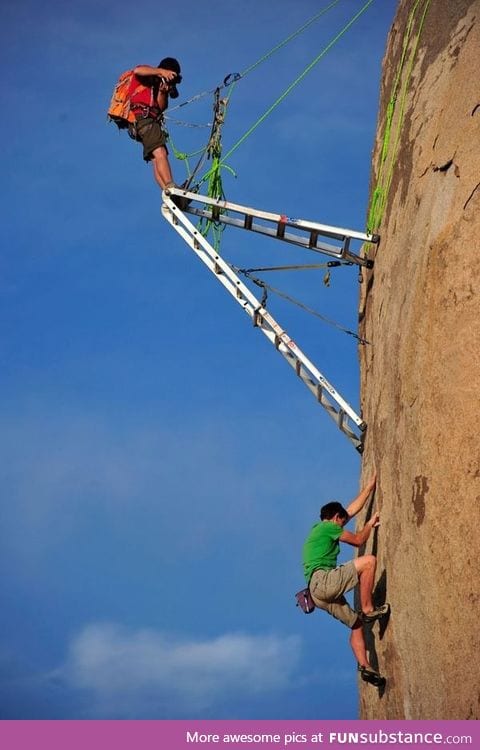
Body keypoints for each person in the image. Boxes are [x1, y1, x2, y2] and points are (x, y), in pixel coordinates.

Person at [302, 474, 389, 686]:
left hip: (317, 594)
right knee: (368, 561)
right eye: (342, 522)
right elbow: (359, 540)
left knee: (356, 624)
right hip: (324, 581)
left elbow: (349, 511)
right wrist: (370, 524)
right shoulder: (329, 527)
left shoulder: (320, 529)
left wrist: (369, 488)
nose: (343, 525)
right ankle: (368, 609)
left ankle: (365, 666)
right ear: (334, 518)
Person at [127, 57, 186, 198]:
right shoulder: (149, 73)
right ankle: (170, 186)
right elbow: (137, 70)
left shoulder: (157, 86)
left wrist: (163, 92)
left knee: (155, 158)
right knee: (161, 153)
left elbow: (160, 108)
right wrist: (161, 72)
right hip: (143, 119)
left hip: (144, 123)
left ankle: (168, 192)